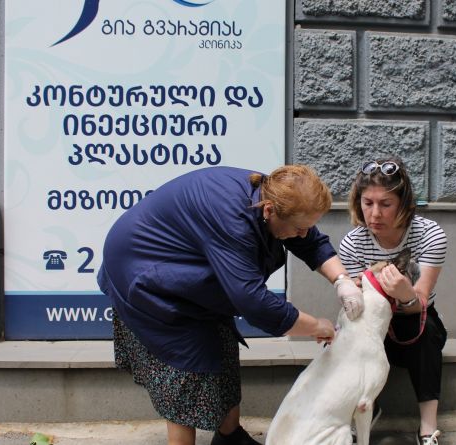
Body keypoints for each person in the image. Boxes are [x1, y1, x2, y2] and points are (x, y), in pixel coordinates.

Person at [97, 165, 364, 445]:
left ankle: (229, 436)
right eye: (298, 228)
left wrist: (342, 281)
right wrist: (315, 326)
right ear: (269, 211)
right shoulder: (233, 220)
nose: (302, 234)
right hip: (144, 272)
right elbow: (254, 302)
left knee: (221, 346)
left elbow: (310, 242)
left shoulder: (278, 193)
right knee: (182, 371)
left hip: (185, 268)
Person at [338, 156, 448, 445]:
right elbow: (354, 304)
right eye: (367, 203)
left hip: (415, 317)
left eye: (385, 204)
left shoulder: (430, 234)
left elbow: (421, 302)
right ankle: (357, 414)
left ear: (403, 204)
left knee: (427, 333)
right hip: (370, 319)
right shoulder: (352, 242)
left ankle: (428, 428)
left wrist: (405, 295)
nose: (374, 214)